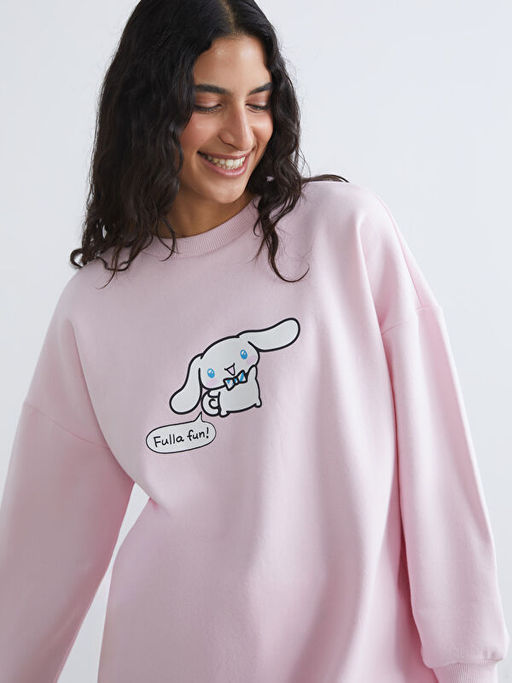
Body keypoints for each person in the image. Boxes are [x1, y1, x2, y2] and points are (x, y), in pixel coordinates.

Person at [0, 0, 509, 681]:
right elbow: (43, 548)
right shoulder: (95, 305)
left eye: (259, 102)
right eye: (208, 104)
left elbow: (436, 461)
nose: (241, 133)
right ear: (149, 108)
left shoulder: (344, 233)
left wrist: (469, 662)